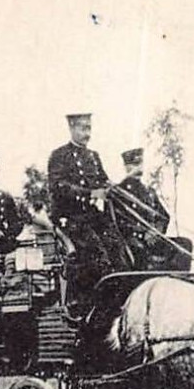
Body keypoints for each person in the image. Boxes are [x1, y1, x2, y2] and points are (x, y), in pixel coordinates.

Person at [47, 113, 126, 315]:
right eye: (83, 128)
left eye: (89, 128)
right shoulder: (59, 155)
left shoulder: (93, 156)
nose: (87, 133)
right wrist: (89, 193)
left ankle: (118, 301)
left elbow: (103, 181)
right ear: (72, 128)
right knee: (97, 254)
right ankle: (90, 307)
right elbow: (59, 186)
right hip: (69, 218)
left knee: (118, 246)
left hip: (91, 217)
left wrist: (113, 189)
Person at [113, 147, 176, 269]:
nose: (139, 168)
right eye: (134, 164)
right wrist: (141, 234)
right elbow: (115, 222)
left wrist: (155, 232)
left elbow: (164, 217)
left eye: (140, 163)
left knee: (184, 244)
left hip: (152, 239)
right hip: (132, 242)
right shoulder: (118, 192)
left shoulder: (149, 192)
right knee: (140, 254)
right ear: (126, 167)